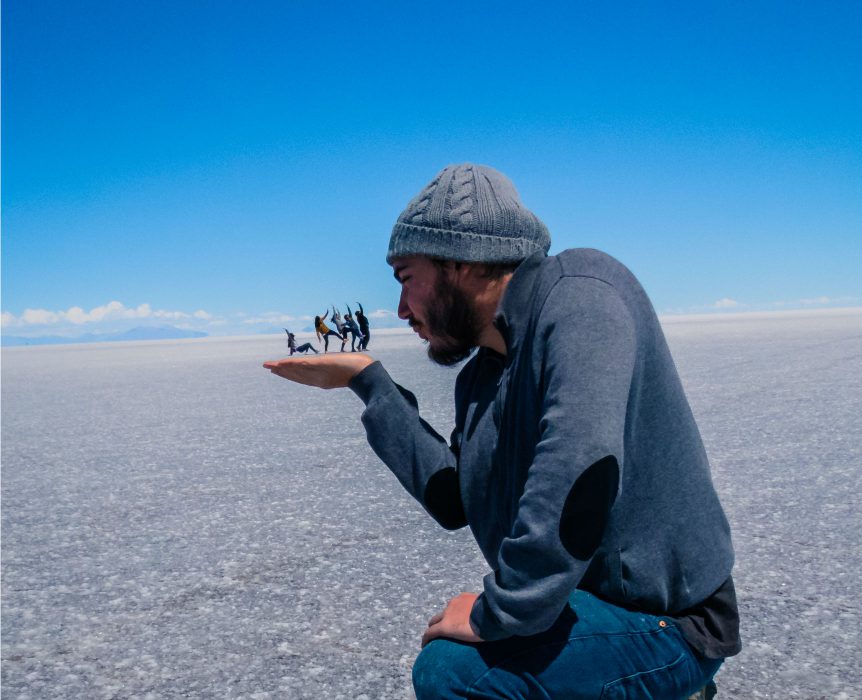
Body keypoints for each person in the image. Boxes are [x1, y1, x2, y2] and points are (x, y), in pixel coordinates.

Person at [264, 164, 740, 699]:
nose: (400, 310)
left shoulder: (583, 293)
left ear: (462, 263)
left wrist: (503, 612)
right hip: (580, 603)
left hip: (670, 619)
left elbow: (581, 467)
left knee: (455, 674)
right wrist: (369, 383)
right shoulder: (482, 376)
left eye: (405, 278)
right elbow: (454, 499)